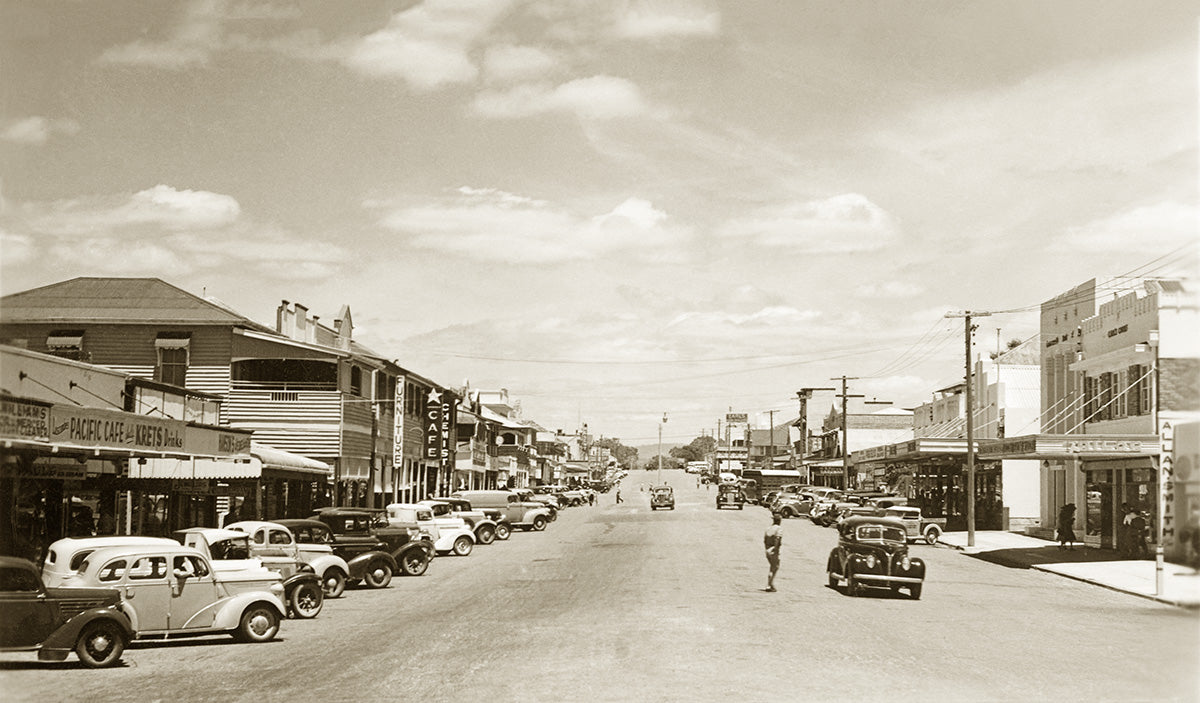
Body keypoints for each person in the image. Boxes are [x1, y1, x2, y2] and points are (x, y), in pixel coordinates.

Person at [763, 513, 783, 591]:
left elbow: (764, 540)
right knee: (774, 567)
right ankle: (769, 584)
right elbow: (777, 538)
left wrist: (767, 548)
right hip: (773, 550)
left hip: (767, 549)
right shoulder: (779, 529)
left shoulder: (768, 528)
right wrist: (775, 547)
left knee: (773, 567)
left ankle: (771, 584)